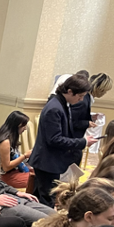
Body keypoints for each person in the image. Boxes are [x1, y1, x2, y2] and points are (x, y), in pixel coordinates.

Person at [29, 73, 96, 207]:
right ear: (70, 91)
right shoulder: (55, 108)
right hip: (47, 162)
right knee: (47, 200)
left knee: (41, 197)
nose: (82, 100)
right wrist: (83, 142)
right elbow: (54, 139)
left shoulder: (61, 103)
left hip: (50, 161)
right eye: (80, 96)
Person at [0, 110, 32, 190]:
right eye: (24, 126)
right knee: (36, 180)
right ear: (18, 125)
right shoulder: (5, 142)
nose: (25, 129)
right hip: (6, 176)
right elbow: (6, 167)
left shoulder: (12, 139)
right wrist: (25, 156)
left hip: (15, 172)